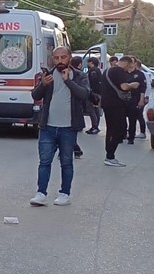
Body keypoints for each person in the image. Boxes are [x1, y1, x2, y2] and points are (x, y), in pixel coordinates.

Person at [29, 46, 90, 207]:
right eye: (56, 58)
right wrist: (42, 84)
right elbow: (35, 95)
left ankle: (64, 193)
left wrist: (68, 81)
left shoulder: (79, 75)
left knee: (66, 162)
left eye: (63, 57)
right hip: (47, 127)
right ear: (52, 59)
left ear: (69, 58)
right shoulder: (47, 75)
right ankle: (41, 193)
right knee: (44, 162)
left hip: (68, 128)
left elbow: (84, 94)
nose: (60, 61)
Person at [100, 54, 137, 167]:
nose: (128, 70)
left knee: (111, 129)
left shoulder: (108, 70)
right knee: (117, 129)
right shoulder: (118, 71)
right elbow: (124, 87)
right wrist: (133, 85)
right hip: (115, 104)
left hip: (107, 103)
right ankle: (110, 156)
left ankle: (109, 154)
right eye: (129, 66)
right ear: (126, 63)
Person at [123, 55, 149, 145]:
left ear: (135, 63)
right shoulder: (123, 73)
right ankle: (122, 135)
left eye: (132, 61)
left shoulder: (139, 74)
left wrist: (142, 100)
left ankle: (131, 137)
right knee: (122, 118)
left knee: (132, 119)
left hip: (134, 99)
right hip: (123, 99)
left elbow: (143, 88)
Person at [69, 56, 85, 158]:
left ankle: (75, 149)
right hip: (72, 108)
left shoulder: (80, 75)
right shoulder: (79, 75)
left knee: (70, 132)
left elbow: (83, 93)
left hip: (74, 109)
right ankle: (75, 149)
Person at [85, 56, 104, 135]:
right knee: (96, 110)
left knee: (92, 110)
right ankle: (95, 126)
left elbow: (91, 82)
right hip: (98, 93)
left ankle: (94, 127)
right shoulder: (98, 70)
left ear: (91, 63)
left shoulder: (92, 71)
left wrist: (90, 91)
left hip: (93, 93)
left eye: (88, 62)